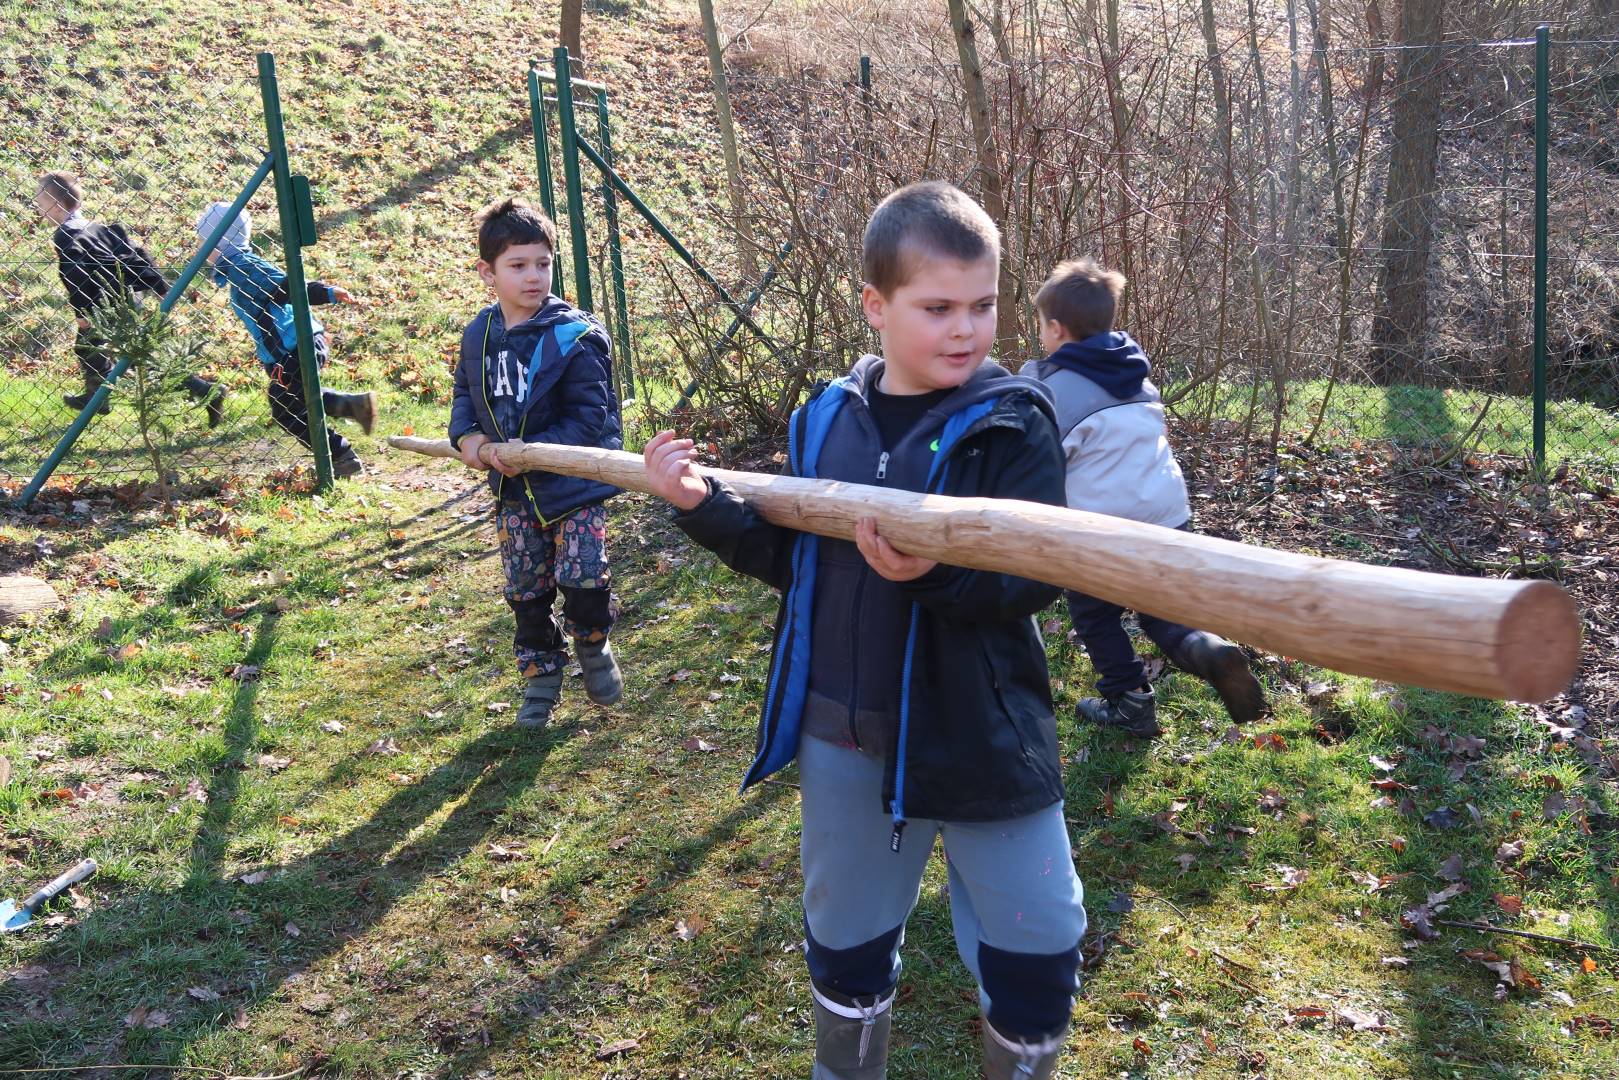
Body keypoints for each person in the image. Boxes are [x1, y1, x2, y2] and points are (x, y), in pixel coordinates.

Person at [643, 181, 1086, 1079]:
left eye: (982, 306)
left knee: (1038, 949)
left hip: (980, 736)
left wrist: (938, 574)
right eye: (937, 309)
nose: (965, 330)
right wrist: (702, 507)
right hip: (846, 735)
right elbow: (800, 564)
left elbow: (1033, 576)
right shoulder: (825, 419)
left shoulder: (1013, 422)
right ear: (875, 306)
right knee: (845, 945)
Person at [1031, 257, 1265, 736]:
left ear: (1056, 329)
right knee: (1162, 612)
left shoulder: (1054, 391)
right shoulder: (1137, 376)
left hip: (1105, 530)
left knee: (1095, 616)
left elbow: (1042, 462)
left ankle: (1130, 702)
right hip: (1169, 515)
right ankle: (1205, 648)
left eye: (1041, 325)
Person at [449, 197, 624, 730]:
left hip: (573, 484)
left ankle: (592, 643)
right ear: (488, 272)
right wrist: (468, 437)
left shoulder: (574, 336)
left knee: (583, 576)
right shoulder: (480, 335)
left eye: (542, 264)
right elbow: (465, 395)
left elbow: (590, 419)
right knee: (526, 588)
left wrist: (528, 451)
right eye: (518, 265)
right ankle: (542, 678)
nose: (533, 277)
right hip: (514, 492)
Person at [194, 202, 377, 477]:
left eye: (203, 240)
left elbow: (288, 286)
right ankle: (354, 410)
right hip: (292, 346)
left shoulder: (244, 267)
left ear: (219, 241)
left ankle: (343, 452)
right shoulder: (236, 268)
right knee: (294, 400)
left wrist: (325, 292)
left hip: (297, 346)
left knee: (286, 407)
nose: (199, 247)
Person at [35, 171, 222, 420]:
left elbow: (74, 274)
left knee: (95, 347)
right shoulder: (98, 228)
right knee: (131, 354)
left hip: (103, 301)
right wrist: (160, 286)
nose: (39, 210)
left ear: (57, 207)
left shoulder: (67, 235)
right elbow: (135, 254)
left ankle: (99, 397)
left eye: (41, 204)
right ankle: (203, 390)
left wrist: (83, 312)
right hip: (128, 297)